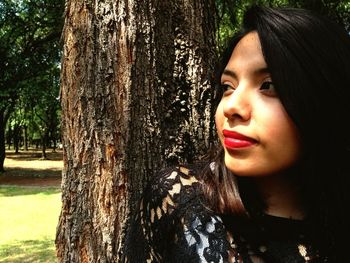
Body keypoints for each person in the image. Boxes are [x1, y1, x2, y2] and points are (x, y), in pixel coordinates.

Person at [125, 5, 350, 263]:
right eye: (228, 87)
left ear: (324, 101)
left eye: (268, 85)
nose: (231, 107)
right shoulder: (178, 202)